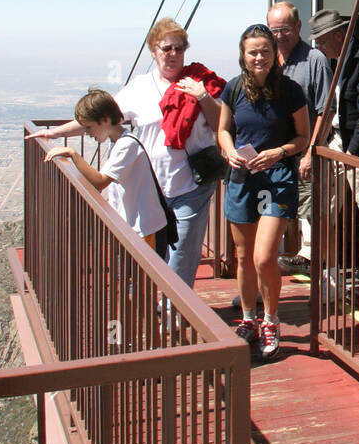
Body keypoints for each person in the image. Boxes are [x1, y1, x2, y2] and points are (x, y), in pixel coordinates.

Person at [28, 18, 225, 290]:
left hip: (191, 184)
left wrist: (203, 97)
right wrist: (55, 133)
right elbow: (101, 118)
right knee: (153, 251)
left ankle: (174, 314)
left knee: (182, 254)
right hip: (150, 188)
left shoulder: (198, 82)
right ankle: (158, 302)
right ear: (153, 50)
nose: (173, 55)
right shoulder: (140, 88)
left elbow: (221, 125)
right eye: (166, 48)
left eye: (179, 49)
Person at [218, 23, 309, 360]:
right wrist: (228, 151)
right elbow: (224, 130)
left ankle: (271, 319)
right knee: (243, 257)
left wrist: (280, 152)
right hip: (243, 178)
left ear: (274, 53)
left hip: (277, 180)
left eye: (265, 51)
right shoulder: (233, 88)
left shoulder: (290, 90)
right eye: (253, 51)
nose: (259, 57)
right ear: (243, 55)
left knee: (264, 256)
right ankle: (249, 318)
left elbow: (303, 137)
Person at [44, 89, 169, 253]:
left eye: (88, 128)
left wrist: (73, 154)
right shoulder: (117, 142)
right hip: (133, 226)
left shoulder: (127, 145)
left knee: (141, 277)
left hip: (144, 228)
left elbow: (100, 181)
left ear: (105, 120)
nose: (87, 133)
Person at [307, 8, 359, 283]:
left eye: (322, 40)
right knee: (322, 204)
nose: (319, 46)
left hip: (355, 147)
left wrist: (354, 153)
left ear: (339, 35)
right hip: (335, 140)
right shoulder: (332, 60)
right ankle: (331, 268)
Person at [267, 0, 332, 275]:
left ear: (298, 27)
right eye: (274, 30)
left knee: (311, 213)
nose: (279, 36)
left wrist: (311, 152)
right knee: (273, 213)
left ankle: (315, 274)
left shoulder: (314, 60)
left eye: (284, 29)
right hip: (274, 155)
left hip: (304, 153)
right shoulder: (268, 58)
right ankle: (265, 275)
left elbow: (326, 110)